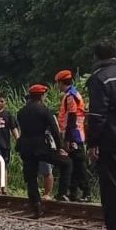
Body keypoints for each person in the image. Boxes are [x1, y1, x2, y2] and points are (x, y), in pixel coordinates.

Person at [85, 38, 116, 230]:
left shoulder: (99, 79)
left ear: (96, 57)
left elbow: (96, 114)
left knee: (112, 186)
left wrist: (92, 143)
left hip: (110, 138)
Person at [16, 85, 73, 217]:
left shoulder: (21, 111)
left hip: (25, 147)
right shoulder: (44, 110)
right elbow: (54, 130)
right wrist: (60, 148)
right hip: (41, 146)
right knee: (67, 163)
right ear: (42, 96)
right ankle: (61, 193)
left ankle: (36, 207)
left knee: (30, 178)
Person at [55, 70, 91, 202]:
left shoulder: (70, 96)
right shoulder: (74, 93)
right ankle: (73, 192)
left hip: (74, 135)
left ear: (60, 82)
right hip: (76, 134)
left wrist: (68, 140)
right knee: (74, 165)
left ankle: (86, 192)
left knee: (78, 165)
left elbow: (71, 118)